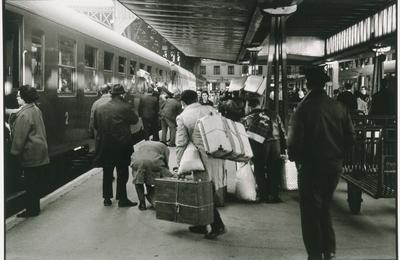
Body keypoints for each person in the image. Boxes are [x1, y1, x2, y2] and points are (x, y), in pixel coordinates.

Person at [288, 66, 355, 260]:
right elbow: (351, 139)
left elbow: (294, 142)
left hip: (310, 167)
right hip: (333, 167)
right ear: (324, 85)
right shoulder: (339, 107)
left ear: (308, 84)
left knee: (310, 211)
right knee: (325, 206)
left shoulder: (302, 108)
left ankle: (315, 254)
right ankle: (330, 250)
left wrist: (295, 160)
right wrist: (337, 155)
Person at [176, 90, 226, 239]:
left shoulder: (183, 117)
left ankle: (218, 226)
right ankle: (201, 224)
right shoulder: (210, 109)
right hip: (218, 154)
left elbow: (181, 143)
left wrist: (180, 165)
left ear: (183, 102)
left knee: (204, 192)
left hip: (201, 160)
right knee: (207, 190)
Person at [93, 84, 139, 207]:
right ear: (122, 94)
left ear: (111, 94)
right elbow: (135, 120)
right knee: (122, 172)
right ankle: (122, 198)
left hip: (106, 145)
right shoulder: (125, 107)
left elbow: (96, 125)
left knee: (107, 172)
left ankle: (107, 199)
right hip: (122, 145)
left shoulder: (100, 108)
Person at [10, 85, 50, 217]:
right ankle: (35, 208)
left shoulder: (24, 115)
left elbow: (19, 138)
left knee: (30, 184)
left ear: (23, 98)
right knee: (35, 182)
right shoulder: (35, 109)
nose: (16, 98)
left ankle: (31, 211)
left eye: (18, 96)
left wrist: (13, 154)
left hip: (30, 153)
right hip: (39, 151)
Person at [242, 98, 286, 203]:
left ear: (249, 106)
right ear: (260, 105)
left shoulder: (248, 118)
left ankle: (264, 195)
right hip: (276, 144)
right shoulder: (273, 114)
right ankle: (274, 195)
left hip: (260, 145)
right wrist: (284, 148)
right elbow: (282, 132)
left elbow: (245, 136)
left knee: (260, 169)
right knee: (274, 169)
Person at [131, 141, 172, 210]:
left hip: (136, 160)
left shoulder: (144, 143)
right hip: (153, 161)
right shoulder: (165, 147)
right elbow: (165, 162)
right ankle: (154, 198)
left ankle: (142, 204)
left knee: (138, 181)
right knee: (154, 174)